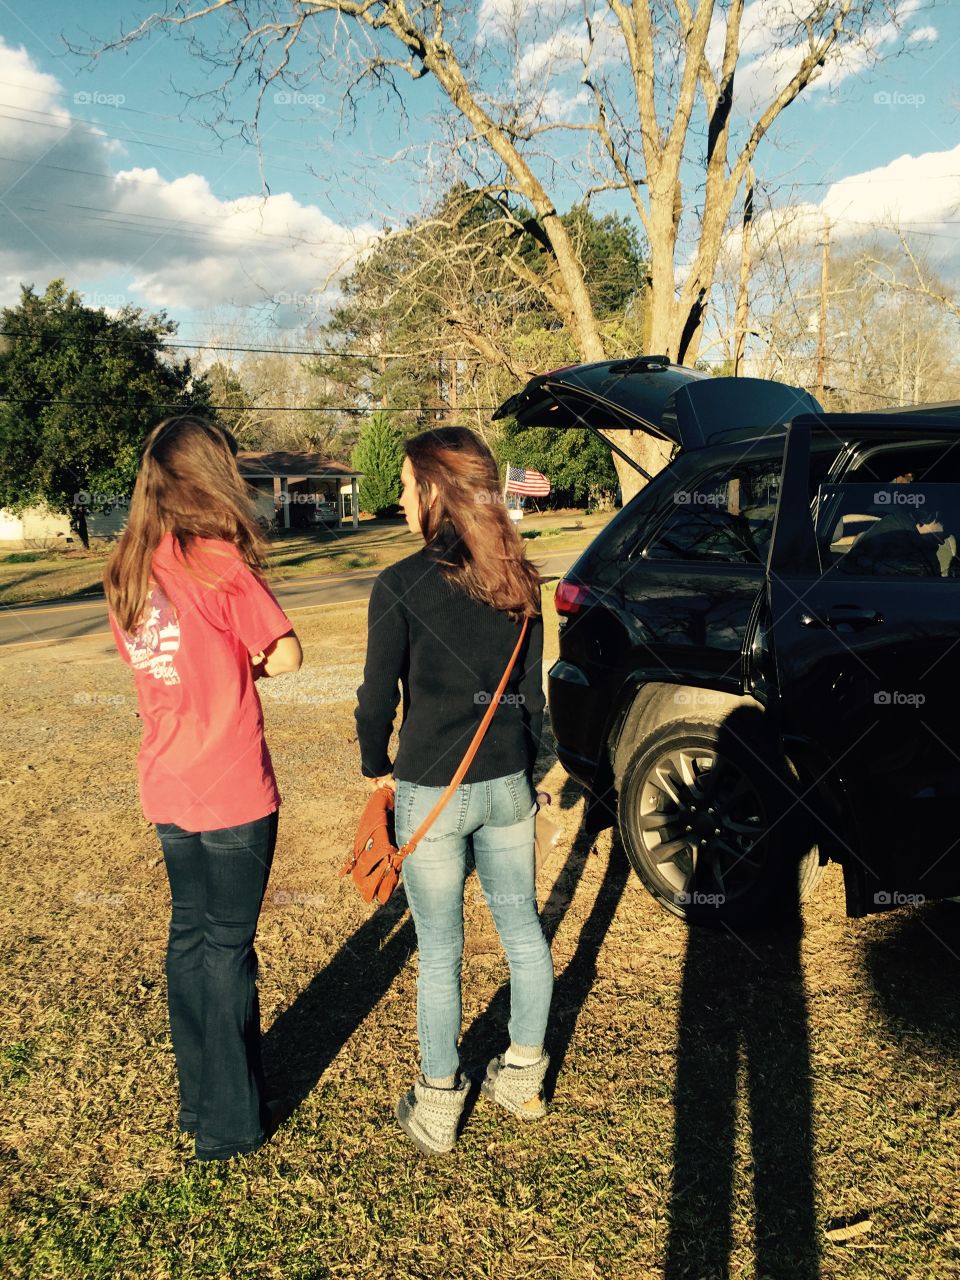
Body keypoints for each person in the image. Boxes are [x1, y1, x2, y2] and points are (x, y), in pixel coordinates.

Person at [104, 414, 302, 1161]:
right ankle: (228, 1124)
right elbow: (286, 655)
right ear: (209, 477)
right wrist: (239, 669)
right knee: (226, 949)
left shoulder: (126, 564)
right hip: (232, 793)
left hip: (167, 783)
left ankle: (201, 1101)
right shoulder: (218, 561)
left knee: (189, 940)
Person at [355, 426, 554, 1156]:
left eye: (408, 484)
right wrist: (531, 775)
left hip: (431, 791)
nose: (400, 497)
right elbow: (533, 699)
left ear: (435, 489)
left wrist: (374, 763)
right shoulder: (521, 581)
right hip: (506, 785)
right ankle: (523, 1077)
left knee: (440, 952)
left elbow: (376, 698)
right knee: (522, 931)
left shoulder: (400, 584)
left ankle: (439, 1104)